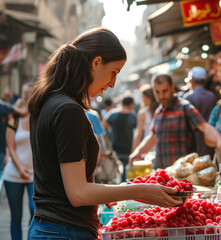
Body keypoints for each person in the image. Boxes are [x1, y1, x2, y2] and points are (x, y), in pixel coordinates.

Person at [27, 27, 182, 240]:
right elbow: (78, 193)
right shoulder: (68, 110)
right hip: (64, 231)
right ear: (96, 62)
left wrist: (107, 192)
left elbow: (64, 184)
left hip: (50, 227)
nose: (113, 83)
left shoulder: (48, 101)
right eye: (114, 72)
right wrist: (139, 191)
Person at [129, 74, 221, 169]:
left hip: (183, 175)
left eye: (165, 91)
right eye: (157, 92)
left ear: (172, 88)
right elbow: (152, 138)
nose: (161, 96)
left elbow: (205, 126)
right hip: (162, 173)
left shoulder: (185, 107)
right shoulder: (158, 112)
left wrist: (218, 140)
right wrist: (137, 152)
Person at [3, 83, 35, 240]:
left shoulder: (40, 115)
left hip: (34, 174)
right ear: (22, 95)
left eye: (31, 92)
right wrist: (20, 168)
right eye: (25, 93)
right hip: (14, 173)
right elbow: (11, 147)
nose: (28, 95)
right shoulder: (14, 117)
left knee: (34, 209)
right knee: (16, 216)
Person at [103, 94, 137, 183]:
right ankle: (123, 187)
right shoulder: (133, 117)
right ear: (131, 104)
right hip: (128, 148)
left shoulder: (112, 114)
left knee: (114, 170)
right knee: (125, 171)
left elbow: (102, 127)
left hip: (114, 147)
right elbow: (139, 133)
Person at [183, 66, 217, 157]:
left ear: (192, 81)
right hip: (210, 138)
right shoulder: (212, 96)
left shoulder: (187, 97)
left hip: (193, 141)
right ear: (205, 81)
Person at [132, 84, 158, 152]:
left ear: (148, 98)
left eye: (142, 97)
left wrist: (134, 152)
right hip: (159, 146)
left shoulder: (143, 113)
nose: (142, 100)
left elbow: (138, 135)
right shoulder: (160, 109)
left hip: (147, 147)